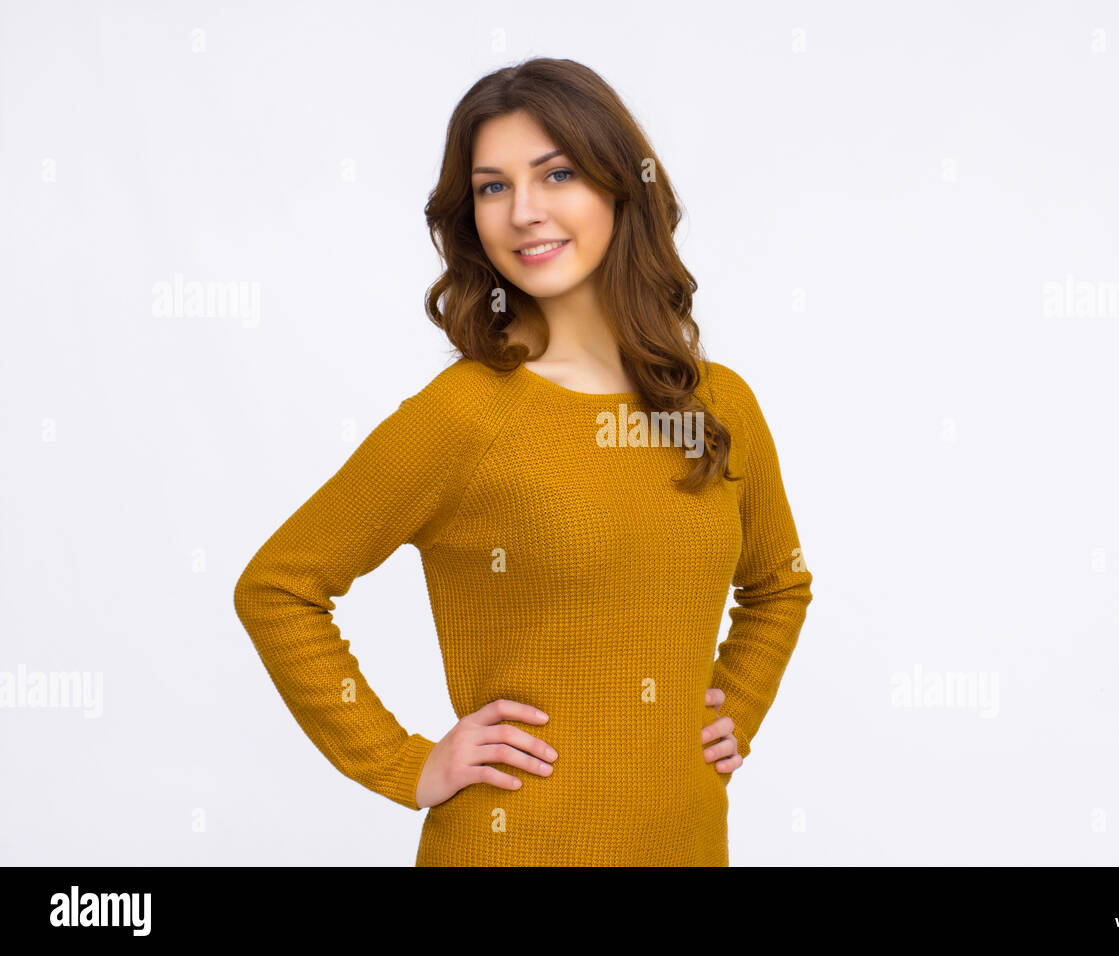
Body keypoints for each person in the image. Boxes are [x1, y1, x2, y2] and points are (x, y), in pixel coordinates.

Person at [232, 57, 812, 866]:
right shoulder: (466, 415)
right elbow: (278, 587)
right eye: (492, 187)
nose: (524, 211)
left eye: (557, 173)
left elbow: (778, 582)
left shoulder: (718, 407)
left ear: (620, 185)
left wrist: (734, 708)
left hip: (688, 845)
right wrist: (406, 761)